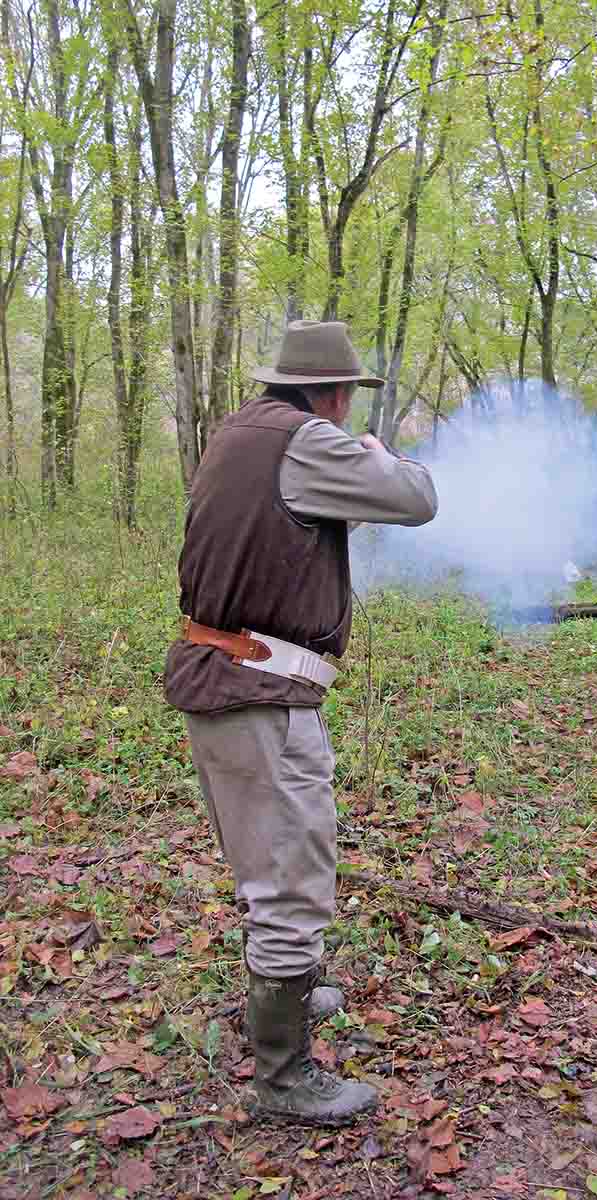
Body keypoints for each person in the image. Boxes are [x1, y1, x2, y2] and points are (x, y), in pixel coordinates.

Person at [164, 321, 438, 1126]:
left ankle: (289, 993)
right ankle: (284, 1079)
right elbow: (415, 498)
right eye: (347, 396)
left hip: (225, 679)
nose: (348, 407)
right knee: (291, 880)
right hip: (260, 694)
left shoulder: (241, 432)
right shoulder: (310, 441)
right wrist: (380, 453)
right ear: (331, 392)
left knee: (268, 863)